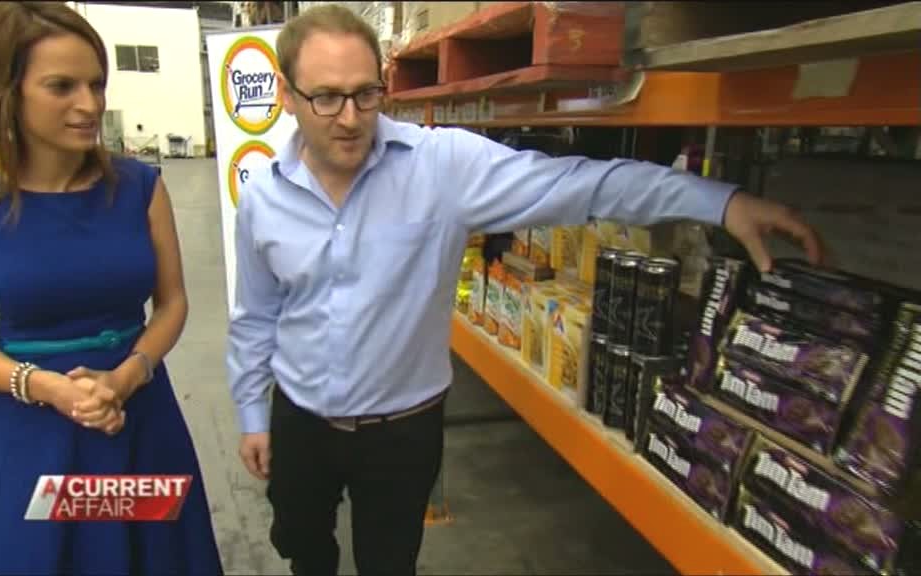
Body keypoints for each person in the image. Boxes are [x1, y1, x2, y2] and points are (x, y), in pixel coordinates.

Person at [227, 5, 824, 576]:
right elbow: (256, 316)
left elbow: (586, 187)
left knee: (389, 564)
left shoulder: (440, 168)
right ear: (286, 95)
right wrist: (254, 414)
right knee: (303, 546)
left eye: (366, 93)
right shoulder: (263, 200)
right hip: (300, 420)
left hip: (401, 434)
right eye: (326, 97)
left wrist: (721, 202)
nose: (351, 118)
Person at [0, 3, 223, 575]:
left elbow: (172, 303)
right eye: (62, 86)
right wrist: (49, 388)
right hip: (27, 432)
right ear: (9, 90)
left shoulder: (140, 187)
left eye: (96, 84)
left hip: (136, 421)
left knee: (153, 557)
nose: (90, 104)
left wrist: (126, 377)